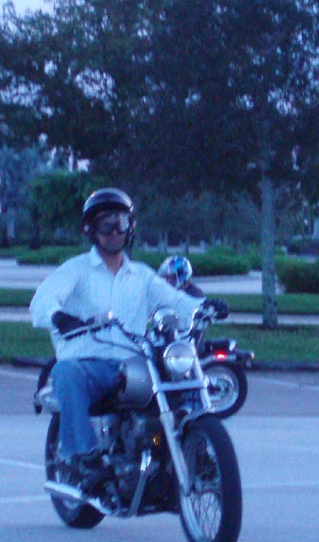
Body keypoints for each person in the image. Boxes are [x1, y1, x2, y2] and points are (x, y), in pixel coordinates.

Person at [30, 188, 224, 488]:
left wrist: (204, 307)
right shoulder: (76, 270)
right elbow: (42, 300)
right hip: (88, 363)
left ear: (130, 227)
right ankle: (84, 459)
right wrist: (59, 317)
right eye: (105, 223)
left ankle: (198, 450)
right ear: (91, 229)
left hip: (133, 364)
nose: (114, 232)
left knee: (181, 376)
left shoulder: (141, 275)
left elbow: (175, 301)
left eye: (120, 223)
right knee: (65, 372)